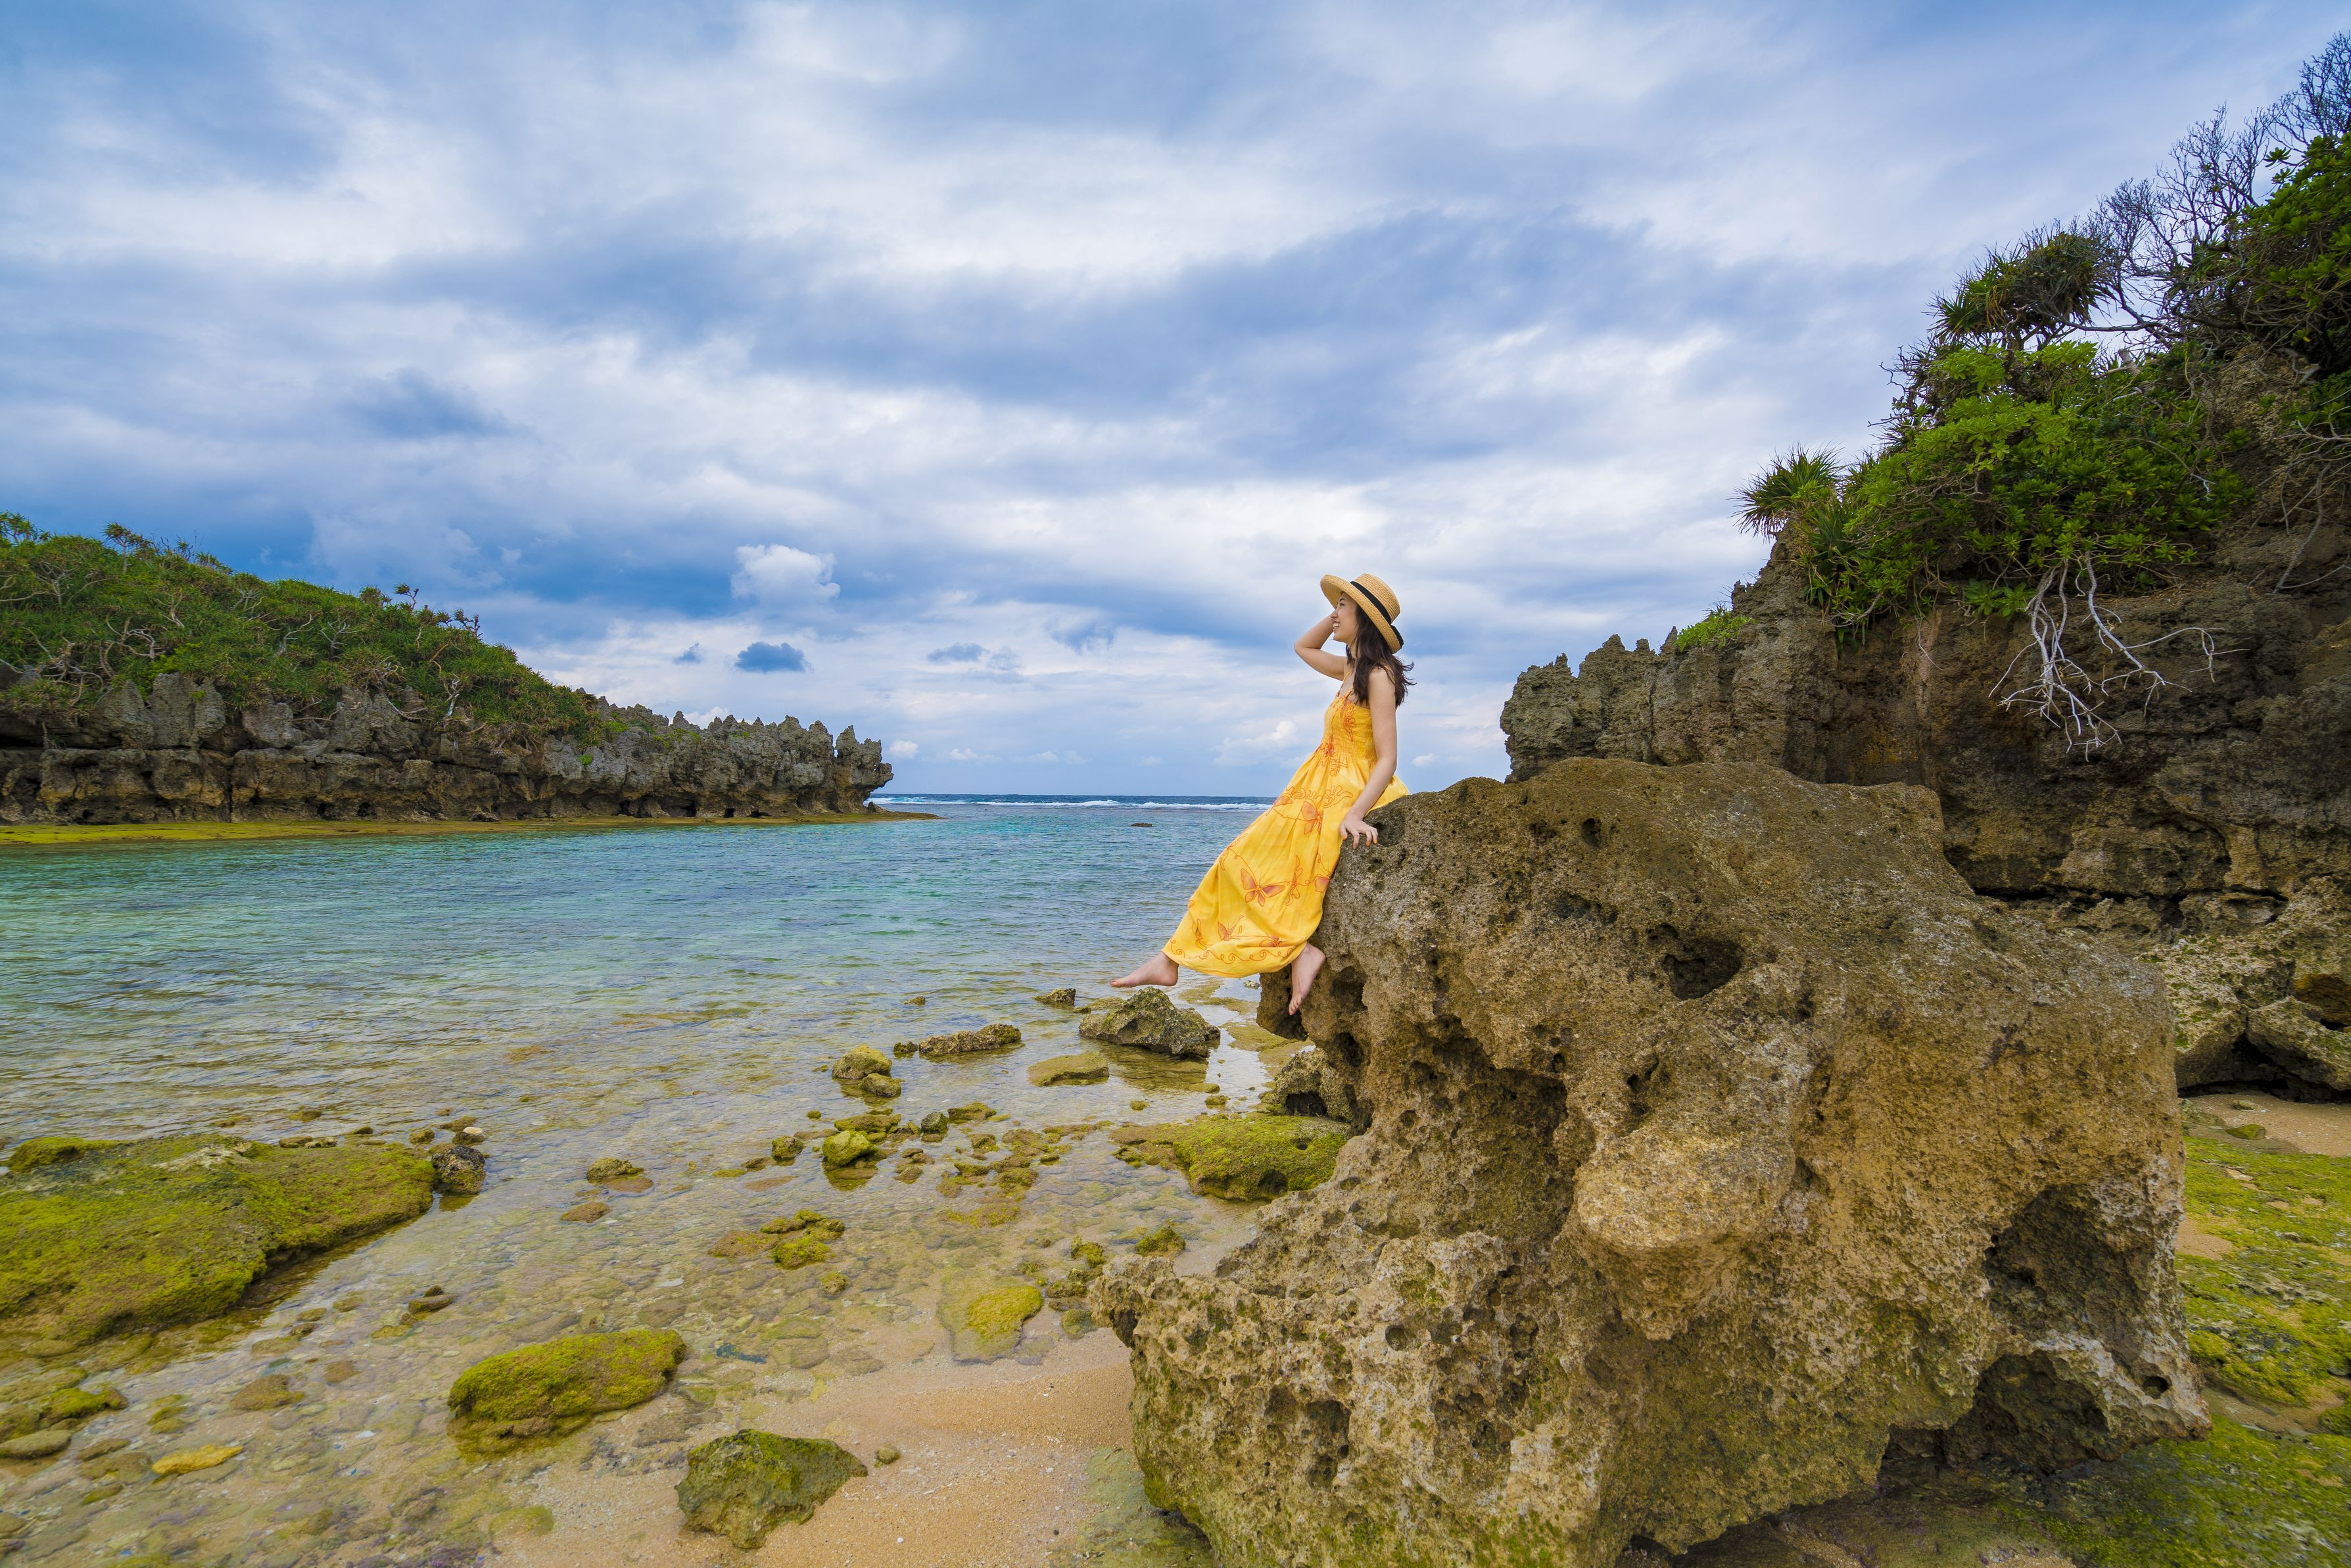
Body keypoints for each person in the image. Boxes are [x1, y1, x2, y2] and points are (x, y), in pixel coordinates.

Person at [1112, 573, 1411, 1012]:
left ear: (1364, 618)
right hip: (1314, 787)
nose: (1333, 613)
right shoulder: (1352, 670)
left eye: (1342, 606)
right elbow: (1303, 647)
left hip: (1349, 792)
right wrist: (1336, 616)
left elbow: (1387, 758)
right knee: (1239, 859)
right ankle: (1172, 957)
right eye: (1335, 605)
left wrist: (1355, 814)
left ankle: (1298, 950)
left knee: (1293, 874)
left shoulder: (1379, 676)